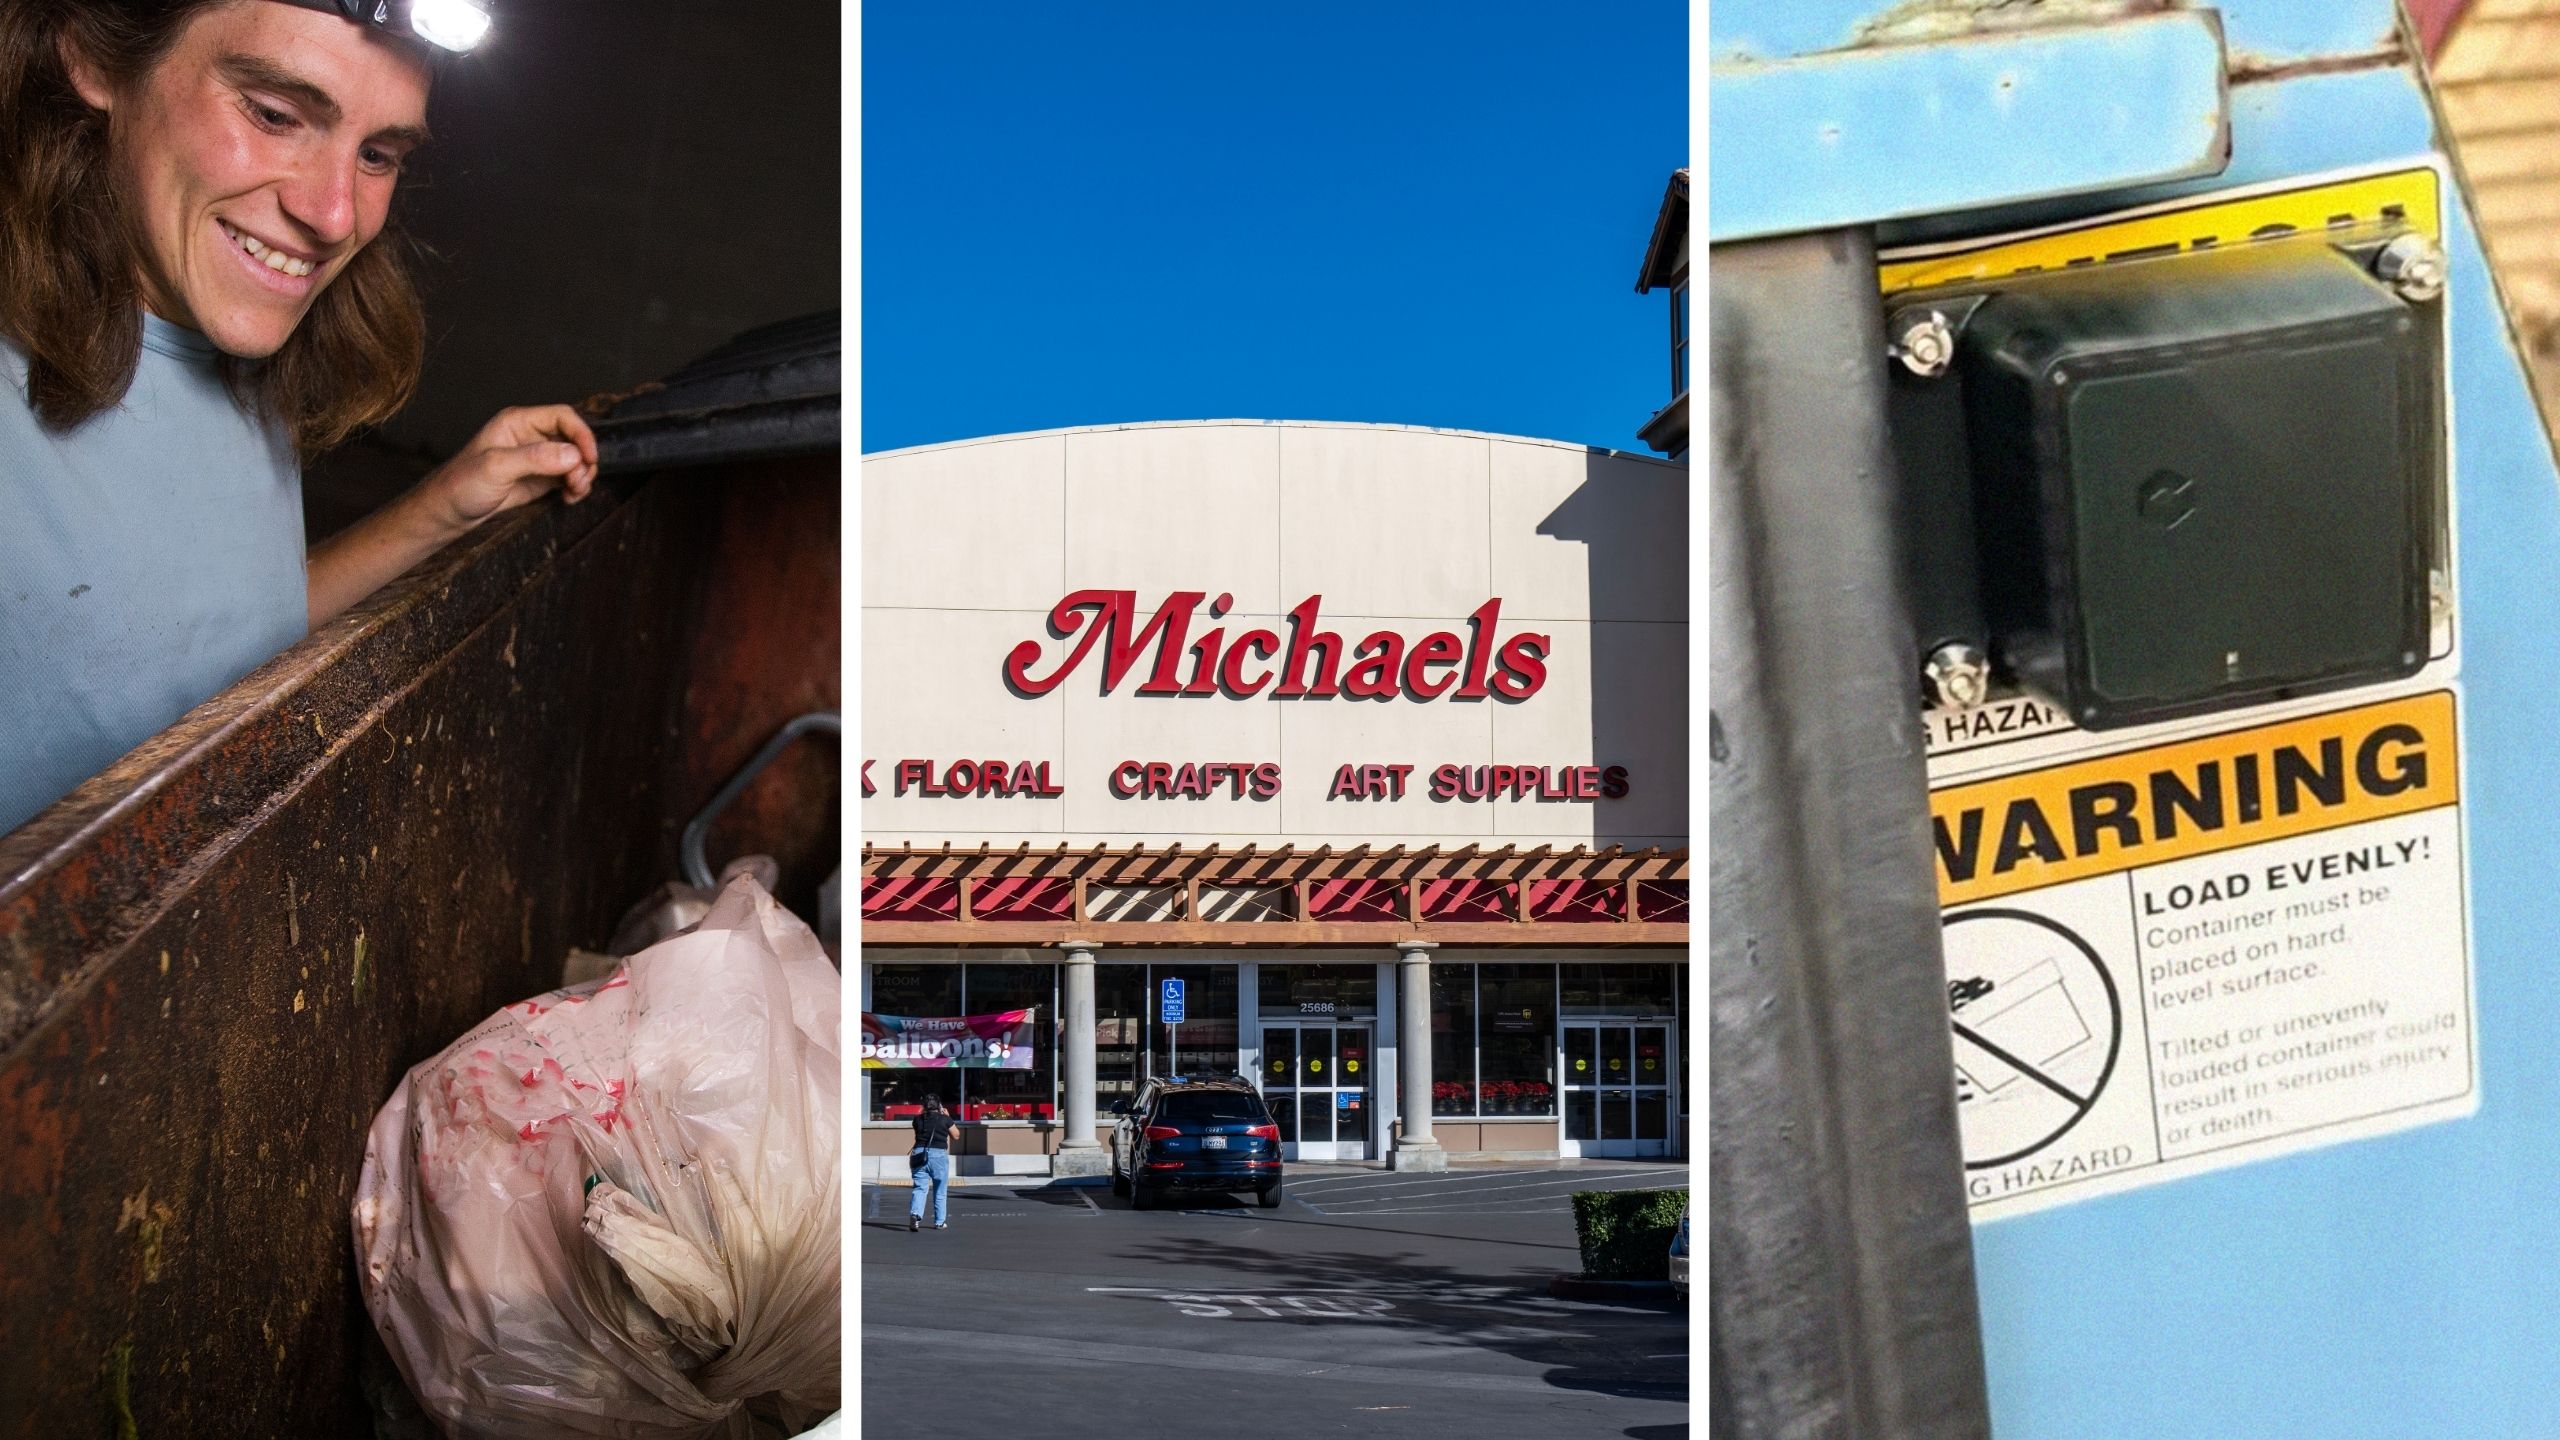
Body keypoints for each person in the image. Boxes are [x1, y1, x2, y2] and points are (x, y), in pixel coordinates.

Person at [0, 0, 597, 837]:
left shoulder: (238, 351)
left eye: (379, 154)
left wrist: (438, 509)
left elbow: (212, 645)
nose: (334, 216)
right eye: (276, 115)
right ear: (95, 58)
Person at [909, 1092, 955, 1232]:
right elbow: (956, 1135)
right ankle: (939, 1222)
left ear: (924, 1106)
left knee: (920, 1188)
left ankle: (915, 1214)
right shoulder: (945, 1119)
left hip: (919, 1154)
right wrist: (947, 1117)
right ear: (939, 1105)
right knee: (940, 1189)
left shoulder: (917, 1120)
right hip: (938, 1156)